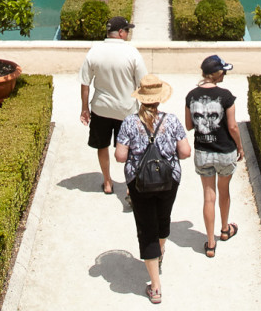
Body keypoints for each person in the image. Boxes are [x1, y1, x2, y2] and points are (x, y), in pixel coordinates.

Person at [115, 74, 191, 304]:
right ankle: (160, 251)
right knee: (163, 218)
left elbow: (120, 156)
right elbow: (186, 152)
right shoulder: (173, 120)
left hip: (140, 183)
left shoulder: (129, 122)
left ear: (141, 98)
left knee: (146, 227)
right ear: (160, 99)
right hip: (169, 179)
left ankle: (156, 287)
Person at [80, 15, 148, 194]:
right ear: (120, 32)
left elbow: (85, 83)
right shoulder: (132, 52)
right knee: (130, 149)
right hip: (126, 110)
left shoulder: (94, 51)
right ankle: (129, 186)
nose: (127, 33)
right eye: (127, 30)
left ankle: (107, 182)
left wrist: (84, 108)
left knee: (102, 145)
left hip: (100, 108)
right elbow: (143, 84)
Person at [185, 55, 244, 258]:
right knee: (224, 191)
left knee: (208, 197)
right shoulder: (226, 96)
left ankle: (210, 243)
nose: (225, 74)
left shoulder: (191, 96)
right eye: (223, 71)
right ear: (216, 73)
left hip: (203, 152)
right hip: (225, 151)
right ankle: (225, 229)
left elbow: (189, 125)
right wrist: (240, 147)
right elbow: (233, 127)